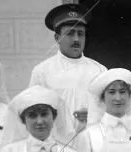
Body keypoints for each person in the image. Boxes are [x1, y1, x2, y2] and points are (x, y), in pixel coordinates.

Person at [29, 2, 106, 135]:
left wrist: (93, 115)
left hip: (92, 143)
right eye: (70, 33)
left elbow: (110, 111)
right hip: (57, 143)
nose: (76, 39)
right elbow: (33, 111)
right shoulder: (42, 71)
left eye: (80, 33)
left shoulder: (99, 71)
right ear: (57, 38)